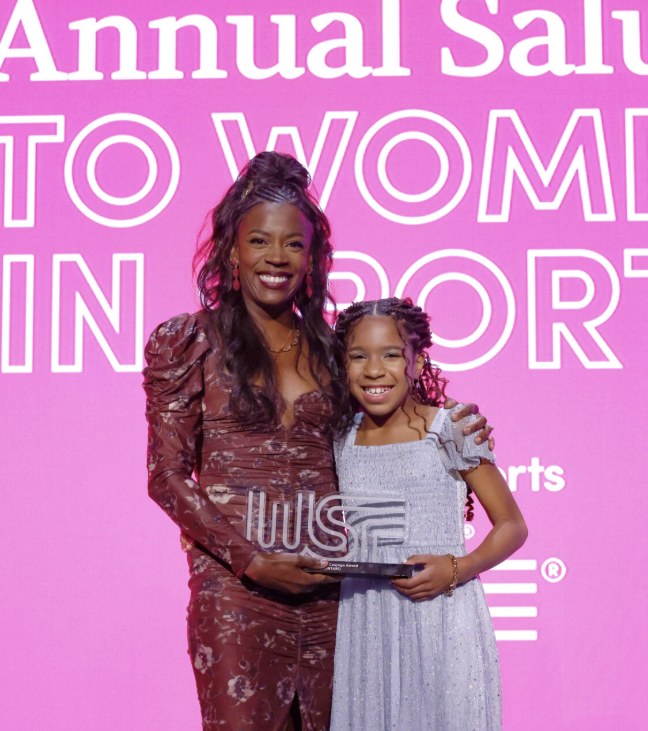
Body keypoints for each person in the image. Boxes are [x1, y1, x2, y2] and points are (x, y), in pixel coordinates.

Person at [142, 152, 493, 731]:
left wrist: (457, 424)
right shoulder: (189, 341)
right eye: (259, 242)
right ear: (232, 249)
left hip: (336, 590)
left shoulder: (336, 351)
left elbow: (392, 421)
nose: (276, 258)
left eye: (294, 246)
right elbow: (168, 475)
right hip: (236, 592)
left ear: (313, 257)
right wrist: (253, 562)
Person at [329, 297, 528, 731]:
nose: (374, 369)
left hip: (442, 616)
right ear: (342, 366)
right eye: (358, 356)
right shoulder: (338, 439)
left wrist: (457, 568)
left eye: (391, 355)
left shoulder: (450, 429)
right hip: (365, 621)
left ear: (417, 363)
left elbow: (512, 525)